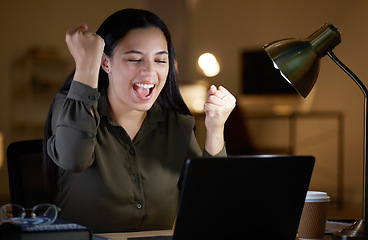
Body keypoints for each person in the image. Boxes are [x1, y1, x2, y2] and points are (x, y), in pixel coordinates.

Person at [43, 8, 236, 233]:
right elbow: (73, 158)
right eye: (135, 59)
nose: (149, 72)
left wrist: (215, 129)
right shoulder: (71, 106)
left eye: (160, 60)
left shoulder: (177, 123)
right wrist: (87, 65)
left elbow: (211, 204)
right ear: (106, 63)